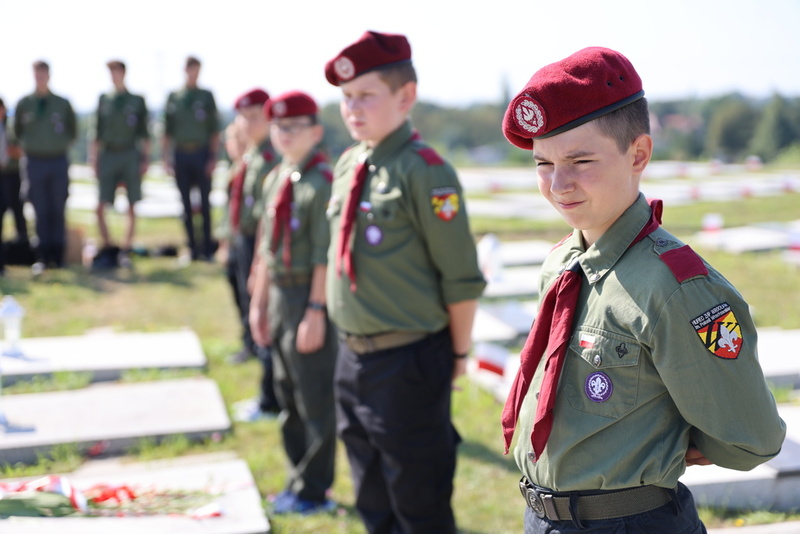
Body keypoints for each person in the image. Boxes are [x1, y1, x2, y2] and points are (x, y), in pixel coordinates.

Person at [500, 46, 787, 534]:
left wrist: (670, 440)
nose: (558, 183)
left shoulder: (674, 286)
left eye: (580, 159)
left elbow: (750, 437)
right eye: (543, 163)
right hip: (543, 519)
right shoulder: (562, 263)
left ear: (638, 154)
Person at [323, 31, 486, 533]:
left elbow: (460, 277)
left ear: (405, 97)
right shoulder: (351, 163)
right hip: (352, 358)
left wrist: (457, 356)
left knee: (419, 500)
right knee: (372, 494)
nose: (353, 108)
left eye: (366, 95)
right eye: (347, 98)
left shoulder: (425, 171)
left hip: (408, 361)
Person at [249, 90, 338, 515]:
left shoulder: (322, 183)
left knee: (314, 397)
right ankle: (296, 480)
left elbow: (324, 255)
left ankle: (314, 489)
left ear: (316, 132)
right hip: (280, 295)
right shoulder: (275, 178)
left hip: (309, 294)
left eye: (294, 126)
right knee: (286, 392)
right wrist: (258, 303)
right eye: (278, 126)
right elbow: (266, 248)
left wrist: (316, 312)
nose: (284, 134)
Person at [222, 88, 280, 421]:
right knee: (253, 313)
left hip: (259, 244)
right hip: (245, 239)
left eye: (255, 116)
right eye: (243, 117)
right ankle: (268, 395)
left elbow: (266, 218)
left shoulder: (269, 156)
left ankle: (270, 399)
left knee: (264, 318)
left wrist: (259, 260)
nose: (247, 124)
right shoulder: (253, 154)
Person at [14, 60, 77, 271]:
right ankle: (41, 255)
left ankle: (58, 256)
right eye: (37, 74)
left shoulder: (62, 103)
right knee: (39, 207)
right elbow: (18, 132)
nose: (40, 78)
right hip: (34, 161)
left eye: (43, 74)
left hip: (57, 160)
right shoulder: (25, 104)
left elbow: (72, 131)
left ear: (49, 76)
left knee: (58, 207)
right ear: (33, 76)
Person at [88, 60, 150, 268]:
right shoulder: (104, 99)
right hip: (108, 154)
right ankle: (108, 246)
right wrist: (93, 159)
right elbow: (95, 132)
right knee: (100, 204)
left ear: (124, 73)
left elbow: (145, 133)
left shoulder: (136, 100)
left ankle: (126, 248)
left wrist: (145, 159)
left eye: (117, 71)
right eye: (111, 72)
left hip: (130, 153)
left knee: (132, 204)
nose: (114, 75)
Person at [162, 56, 219, 261]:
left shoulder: (206, 96)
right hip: (181, 154)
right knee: (185, 205)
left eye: (196, 69)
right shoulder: (175, 97)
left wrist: (213, 158)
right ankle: (192, 248)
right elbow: (166, 130)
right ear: (184, 70)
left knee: (204, 203)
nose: (192, 73)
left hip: (201, 153)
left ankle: (207, 248)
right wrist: (165, 158)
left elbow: (214, 130)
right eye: (189, 69)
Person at [0, 99, 30, 250]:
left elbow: (24, 148)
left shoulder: (12, 127)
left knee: (17, 209)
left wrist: (15, 151)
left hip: (12, 173)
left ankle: (23, 244)